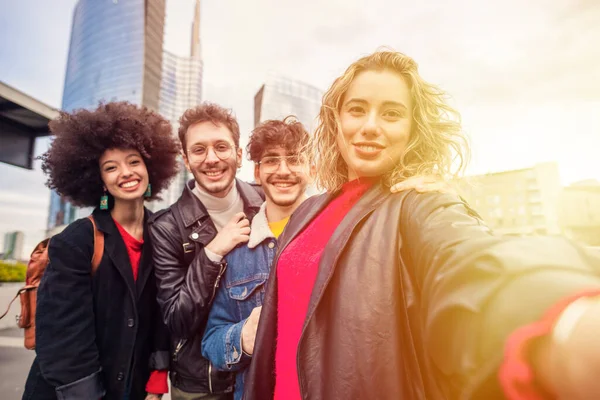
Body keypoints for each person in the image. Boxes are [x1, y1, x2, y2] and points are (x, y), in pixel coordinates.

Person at [243, 50, 600, 400]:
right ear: (337, 119)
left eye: (392, 114)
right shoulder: (307, 212)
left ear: (413, 129)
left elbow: (470, 261)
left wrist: (565, 322)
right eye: (357, 109)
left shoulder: (419, 202)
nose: (370, 126)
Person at [22, 101, 180, 400]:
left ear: (150, 167)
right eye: (111, 167)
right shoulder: (77, 239)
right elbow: (63, 335)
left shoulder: (162, 233)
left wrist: (156, 385)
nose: (126, 173)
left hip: (133, 389)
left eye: (134, 161)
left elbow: (161, 316)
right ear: (101, 182)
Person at [148, 103, 264, 399]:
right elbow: (177, 319)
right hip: (203, 385)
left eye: (221, 147)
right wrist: (212, 252)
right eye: (199, 150)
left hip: (263, 373)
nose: (211, 158)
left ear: (239, 155)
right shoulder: (167, 227)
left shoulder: (266, 201)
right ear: (186, 160)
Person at [201, 117, 313, 400]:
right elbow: (211, 340)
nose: (283, 170)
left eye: (295, 159)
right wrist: (244, 338)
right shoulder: (237, 250)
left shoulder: (333, 236)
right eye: (272, 160)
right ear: (258, 171)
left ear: (312, 169)